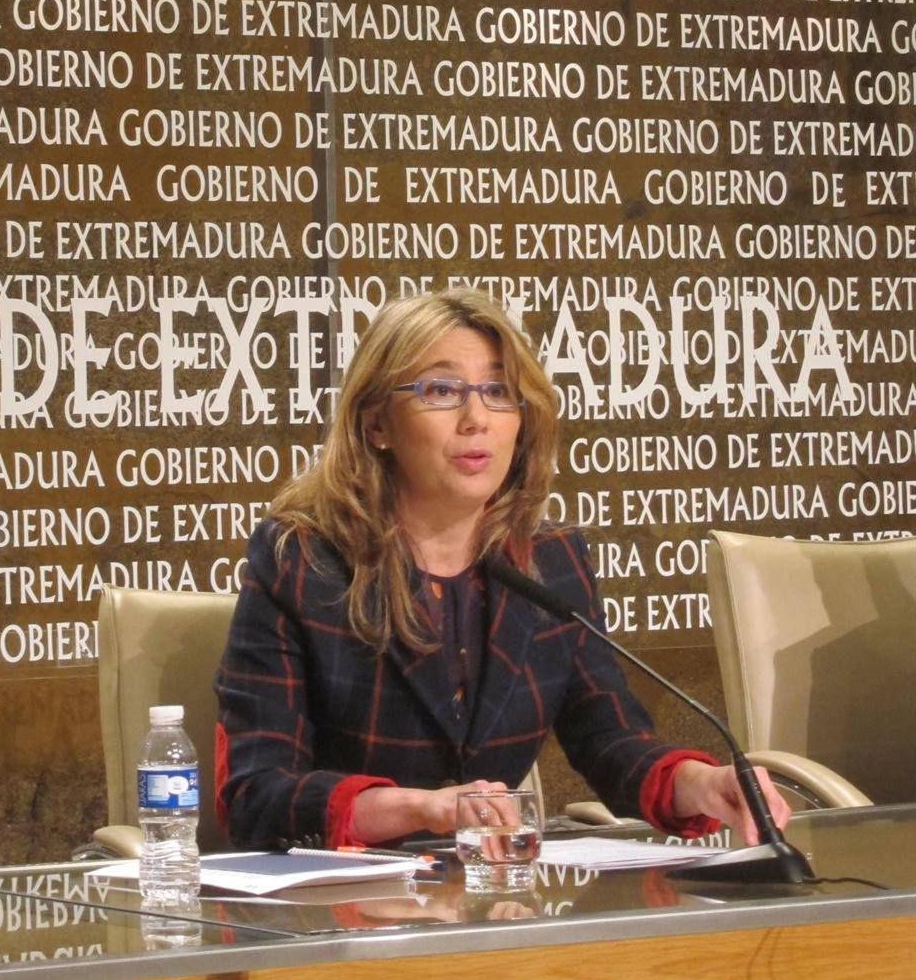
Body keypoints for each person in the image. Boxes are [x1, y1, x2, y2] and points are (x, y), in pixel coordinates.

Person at [214, 286, 791, 850]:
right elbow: (256, 793)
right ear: (376, 424)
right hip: (342, 894)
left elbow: (611, 740)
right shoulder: (304, 562)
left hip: (492, 889)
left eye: (498, 391)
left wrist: (701, 783)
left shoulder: (548, 562)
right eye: (442, 390)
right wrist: (421, 808)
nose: (476, 418)